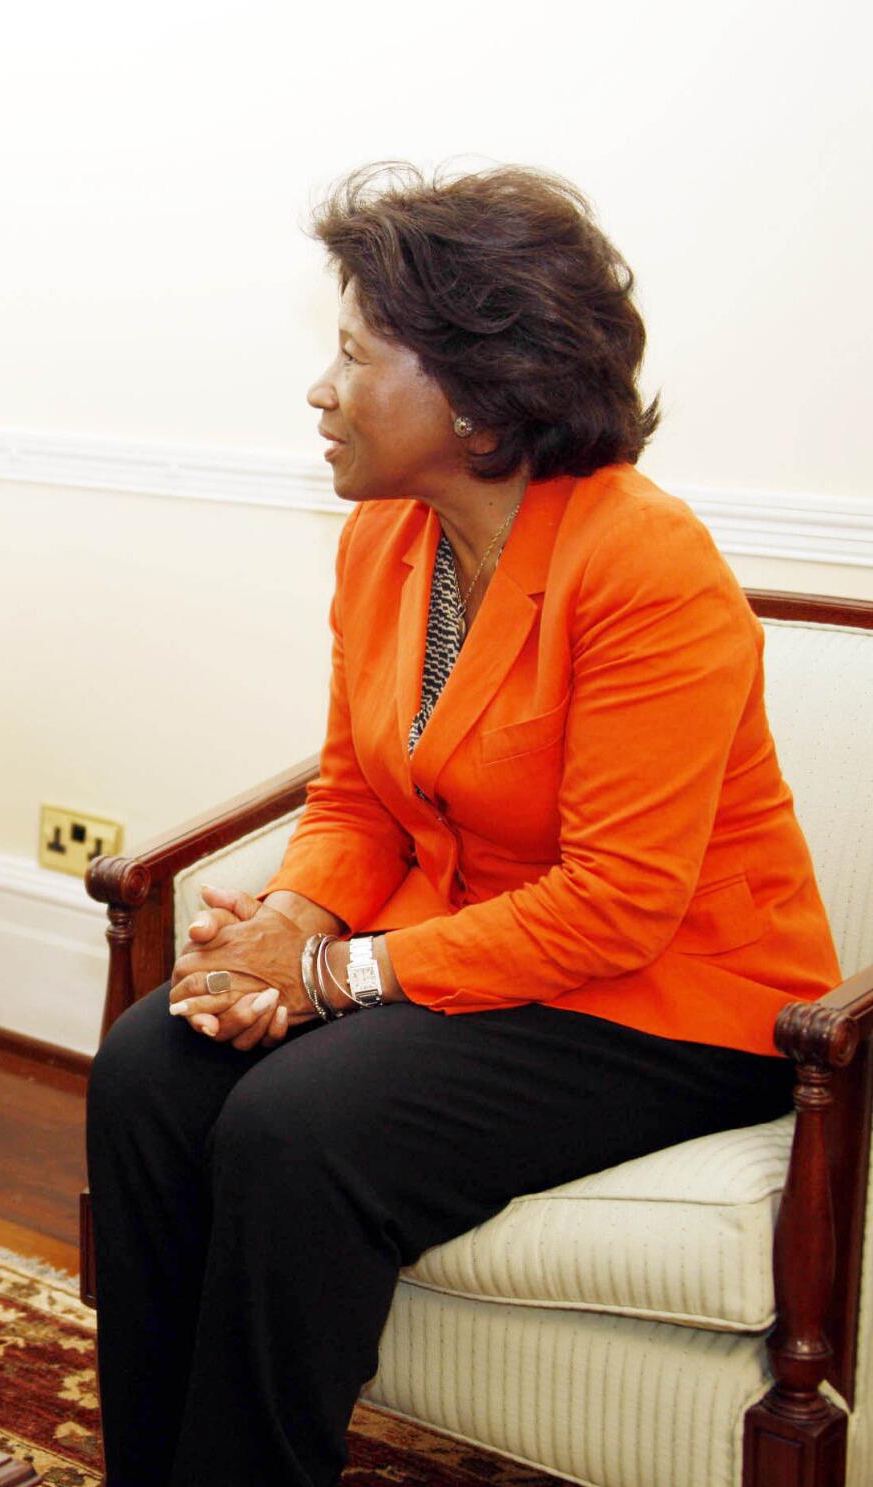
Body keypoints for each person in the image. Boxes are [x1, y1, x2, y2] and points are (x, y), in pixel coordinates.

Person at [84, 165, 840, 1486]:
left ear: (479, 396)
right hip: (476, 954)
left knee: (297, 1125)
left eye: (352, 355)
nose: (319, 390)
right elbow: (356, 791)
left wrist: (329, 975)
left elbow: (618, 902)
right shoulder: (388, 538)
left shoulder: (646, 563)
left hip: (671, 1002)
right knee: (151, 1062)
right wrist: (285, 924)